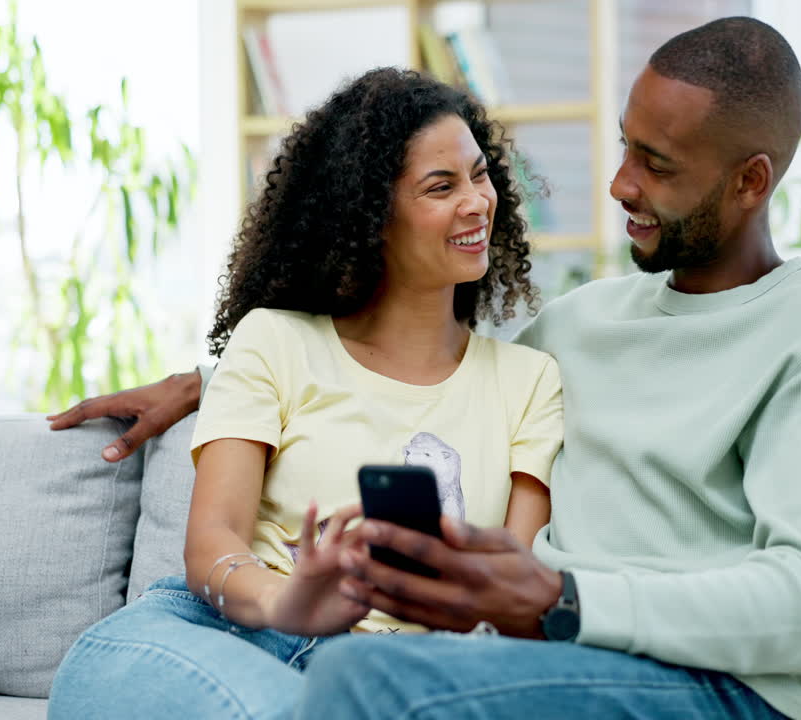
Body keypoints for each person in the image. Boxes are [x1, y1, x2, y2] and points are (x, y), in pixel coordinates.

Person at [52, 17, 801, 720]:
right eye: (626, 149)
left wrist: (558, 599)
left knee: (360, 677)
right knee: (113, 662)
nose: (619, 184)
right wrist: (208, 383)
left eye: (656, 165)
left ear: (750, 182)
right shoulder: (579, 326)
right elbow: (400, 371)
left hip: (700, 679)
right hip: (518, 648)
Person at [45, 67, 564, 719]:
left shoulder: (528, 381)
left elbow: (512, 597)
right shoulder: (274, 341)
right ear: (371, 216)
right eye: (441, 186)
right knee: (99, 664)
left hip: (403, 671)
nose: (477, 202)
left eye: (480, 175)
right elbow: (212, 541)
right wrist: (289, 601)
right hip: (243, 633)